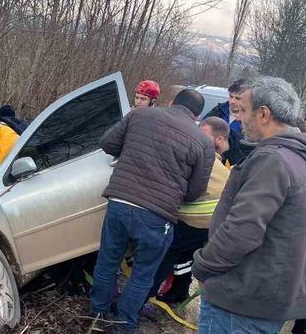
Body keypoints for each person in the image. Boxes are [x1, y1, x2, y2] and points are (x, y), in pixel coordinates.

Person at [192, 76, 306, 334]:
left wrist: (203, 266)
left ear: (263, 114)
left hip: (241, 298)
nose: (239, 119)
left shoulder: (273, 161)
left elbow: (241, 231)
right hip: (271, 299)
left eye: (244, 110)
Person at [89, 89, 213, 333]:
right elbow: (195, 192)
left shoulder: (140, 116)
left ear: (170, 102)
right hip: (158, 215)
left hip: (120, 201)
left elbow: (107, 143)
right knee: (142, 274)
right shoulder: (203, 142)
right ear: (197, 116)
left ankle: (97, 314)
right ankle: (125, 324)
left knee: (107, 262)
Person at [146, 118, 232, 305]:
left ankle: (144, 295)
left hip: (197, 222)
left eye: (203, 134)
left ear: (218, 139)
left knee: (168, 252)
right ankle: (179, 291)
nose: (197, 137)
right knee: (185, 256)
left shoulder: (206, 159)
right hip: (210, 224)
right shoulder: (217, 161)